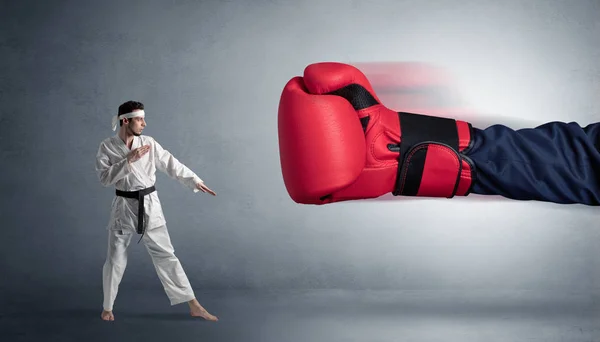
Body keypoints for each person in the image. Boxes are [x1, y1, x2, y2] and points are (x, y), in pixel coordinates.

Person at [95, 100, 218, 322]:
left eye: (143, 118)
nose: (144, 123)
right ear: (126, 120)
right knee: (115, 260)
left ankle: (194, 305)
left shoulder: (149, 143)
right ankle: (107, 308)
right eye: (139, 119)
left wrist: (194, 181)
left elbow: (172, 164)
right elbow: (104, 179)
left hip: (149, 205)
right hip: (123, 207)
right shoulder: (107, 147)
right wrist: (129, 160)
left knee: (166, 257)